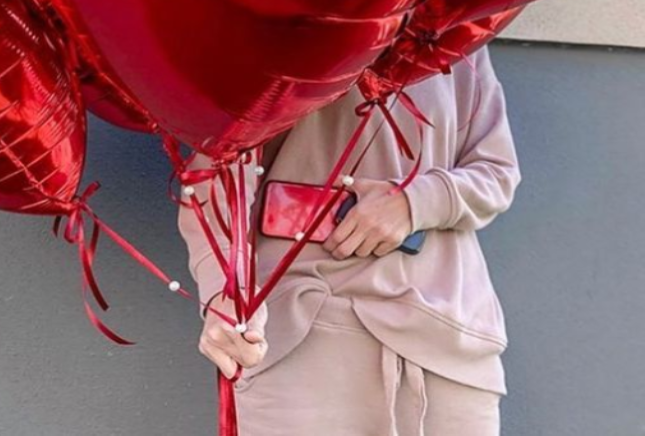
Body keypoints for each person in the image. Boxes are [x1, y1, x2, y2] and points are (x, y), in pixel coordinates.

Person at [178, 45, 520, 435]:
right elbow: (214, 179)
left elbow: (497, 171)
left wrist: (413, 202)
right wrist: (227, 290)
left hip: (447, 335)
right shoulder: (274, 22)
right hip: (305, 329)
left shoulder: (461, 34)